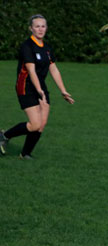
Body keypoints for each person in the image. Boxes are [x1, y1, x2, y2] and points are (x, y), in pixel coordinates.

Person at [0, 14, 74, 159]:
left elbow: (53, 69)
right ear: (31, 29)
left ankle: (25, 153)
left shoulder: (47, 48)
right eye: (37, 26)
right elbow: (31, 71)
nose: (40, 29)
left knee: (41, 124)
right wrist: (39, 90)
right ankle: (4, 136)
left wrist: (63, 90)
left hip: (41, 86)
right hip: (26, 86)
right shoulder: (27, 46)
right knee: (34, 124)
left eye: (43, 26)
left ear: (46, 28)